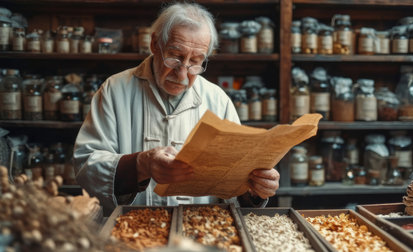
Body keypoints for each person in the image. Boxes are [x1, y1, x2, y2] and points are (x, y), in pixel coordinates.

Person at [73, 2, 280, 215]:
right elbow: (86, 166)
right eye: (175, 57)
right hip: (132, 230)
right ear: (155, 44)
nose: (182, 74)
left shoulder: (218, 100)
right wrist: (141, 165)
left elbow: (237, 178)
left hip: (201, 231)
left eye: (195, 62)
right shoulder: (114, 90)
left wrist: (255, 189)